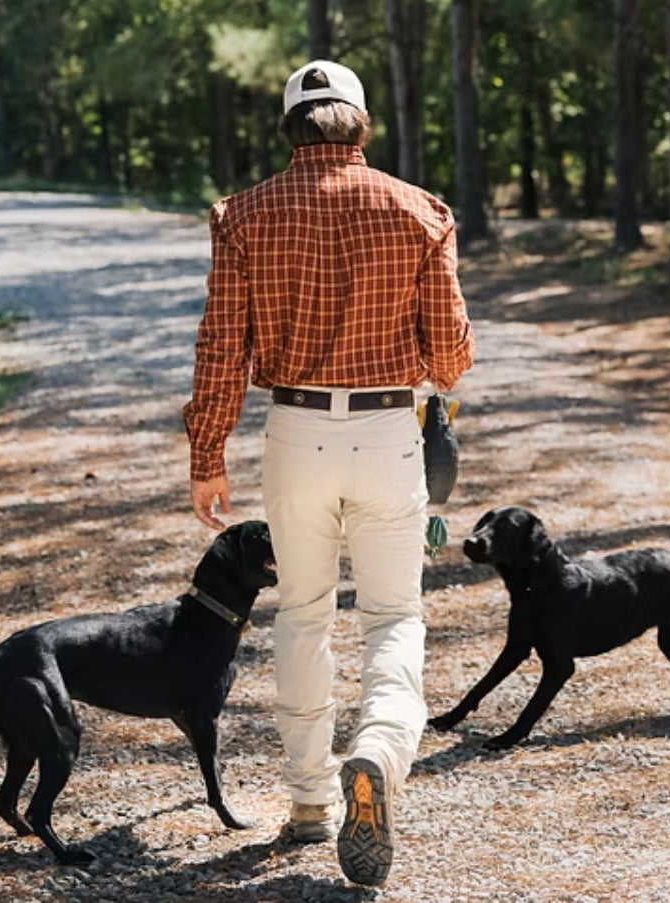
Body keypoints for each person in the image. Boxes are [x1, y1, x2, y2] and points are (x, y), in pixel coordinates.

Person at [184, 59, 473, 887]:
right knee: (393, 614)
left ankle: (310, 799)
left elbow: (220, 349)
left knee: (302, 615)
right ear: (359, 123)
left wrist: (207, 454)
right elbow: (450, 357)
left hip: (294, 431)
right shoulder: (420, 210)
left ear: (290, 127)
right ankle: (378, 752)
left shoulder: (240, 215)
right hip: (387, 430)